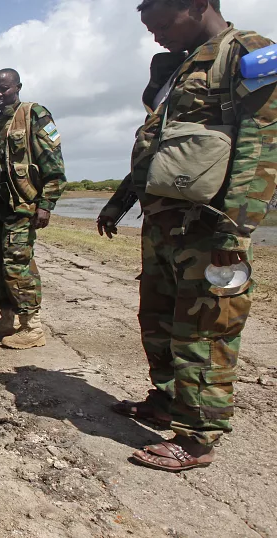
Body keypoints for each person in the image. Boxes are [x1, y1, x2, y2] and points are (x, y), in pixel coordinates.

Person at [97, 0, 276, 472]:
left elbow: (262, 145)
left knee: (206, 329)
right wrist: (121, 202)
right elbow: (157, 150)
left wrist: (235, 229)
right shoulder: (174, 69)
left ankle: (197, 438)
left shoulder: (248, 54)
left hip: (208, 227)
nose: (154, 35)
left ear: (197, 5)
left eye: (161, 23)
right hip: (163, 224)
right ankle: (166, 400)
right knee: (157, 320)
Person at [0, 68, 66, 349]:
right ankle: (8, 318)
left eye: (4, 89)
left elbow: (53, 161)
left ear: (18, 87)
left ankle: (32, 326)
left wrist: (46, 204)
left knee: (17, 264)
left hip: (23, 207)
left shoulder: (33, 114)